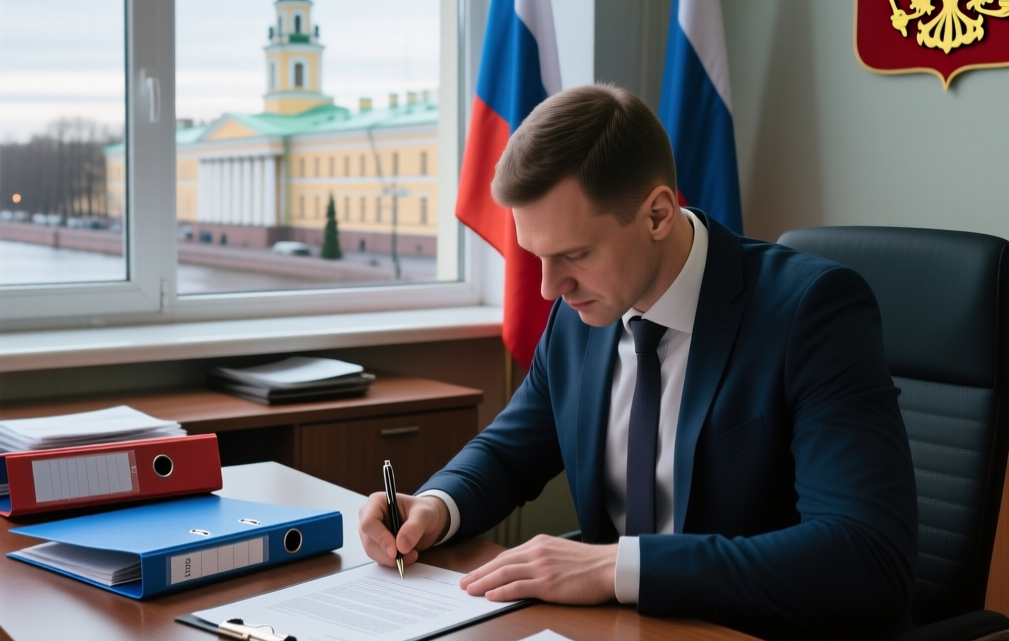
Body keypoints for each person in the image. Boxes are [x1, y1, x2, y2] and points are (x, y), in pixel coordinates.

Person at [359, 84, 917, 641]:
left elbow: (864, 555)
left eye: (575, 254)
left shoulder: (810, 313)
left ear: (656, 214)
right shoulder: (580, 315)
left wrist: (616, 567)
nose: (550, 288)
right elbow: (509, 453)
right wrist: (435, 506)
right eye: (539, 257)